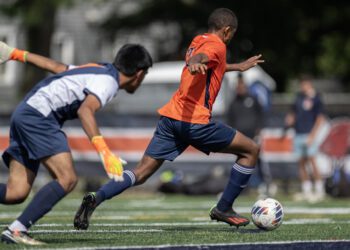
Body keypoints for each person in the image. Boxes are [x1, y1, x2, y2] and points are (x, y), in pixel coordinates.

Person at [73, 8, 264, 231]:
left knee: (141, 172)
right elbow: (202, 58)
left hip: (172, 117)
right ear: (227, 31)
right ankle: (224, 207)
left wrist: (235, 66)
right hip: (195, 121)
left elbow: (208, 63)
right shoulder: (217, 45)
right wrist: (195, 62)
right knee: (250, 150)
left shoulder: (197, 40)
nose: (230, 39)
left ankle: (97, 197)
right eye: (232, 35)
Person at [0, 41, 152, 245]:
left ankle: (16, 230)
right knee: (67, 178)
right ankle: (17, 231)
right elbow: (85, 111)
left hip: (25, 112)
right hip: (40, 117)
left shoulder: (98, 69)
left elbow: (56, 67)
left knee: (15, 192)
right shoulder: (108, 81)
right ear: (139, 73)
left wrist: (17, 54)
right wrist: (104, 151)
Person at [227, 73, 273, 197]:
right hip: (240, 138)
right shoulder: (233, 103)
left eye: (242, 84)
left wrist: (259, 130)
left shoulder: (253, 99)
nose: (240, 87)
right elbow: (230, 120)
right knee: (240, 161)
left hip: (253, 136)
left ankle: (265, 184)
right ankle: (242, 187)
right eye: (238, 85)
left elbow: (261, 115)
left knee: (258, 159)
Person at [285, 75, 326, 202]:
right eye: (302, 84)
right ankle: (306, 190)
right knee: (301, 162)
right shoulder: (298, 98)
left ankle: (319, 190)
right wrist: (290, 119)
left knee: (312, 161)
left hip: (309, 134)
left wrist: (313, 135)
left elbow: (320, 118)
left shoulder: (316, 98)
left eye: (305, 84)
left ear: (310, 84)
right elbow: (293, 113)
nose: (303, 87)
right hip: (298, 133)